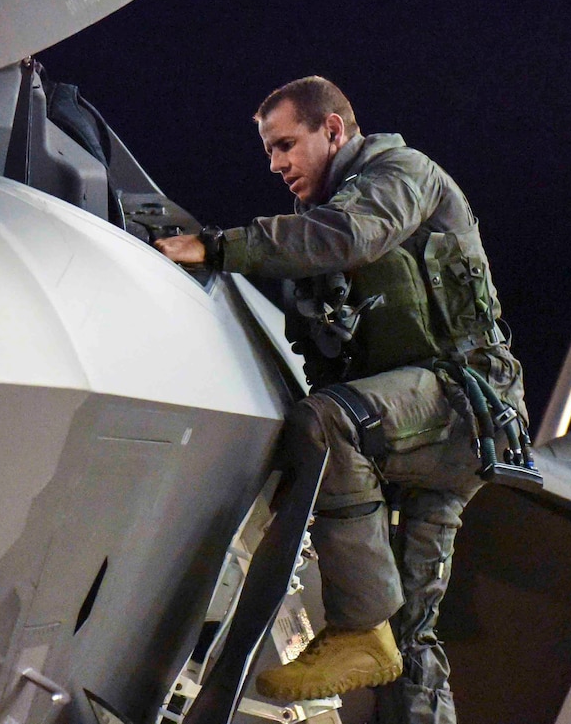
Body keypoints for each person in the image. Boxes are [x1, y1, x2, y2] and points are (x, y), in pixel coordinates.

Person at [155, 77, 526, 724]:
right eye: (268, 151)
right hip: (410, 431)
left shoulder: (400, 177)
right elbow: (322, 357)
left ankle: (357, 625)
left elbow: (351, 235)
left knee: (329, 424)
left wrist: (219, 247)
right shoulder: (314, 241)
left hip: (459, 407)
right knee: (406, 641)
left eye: (286, 144)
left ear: (333, 129)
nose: (275, 163)